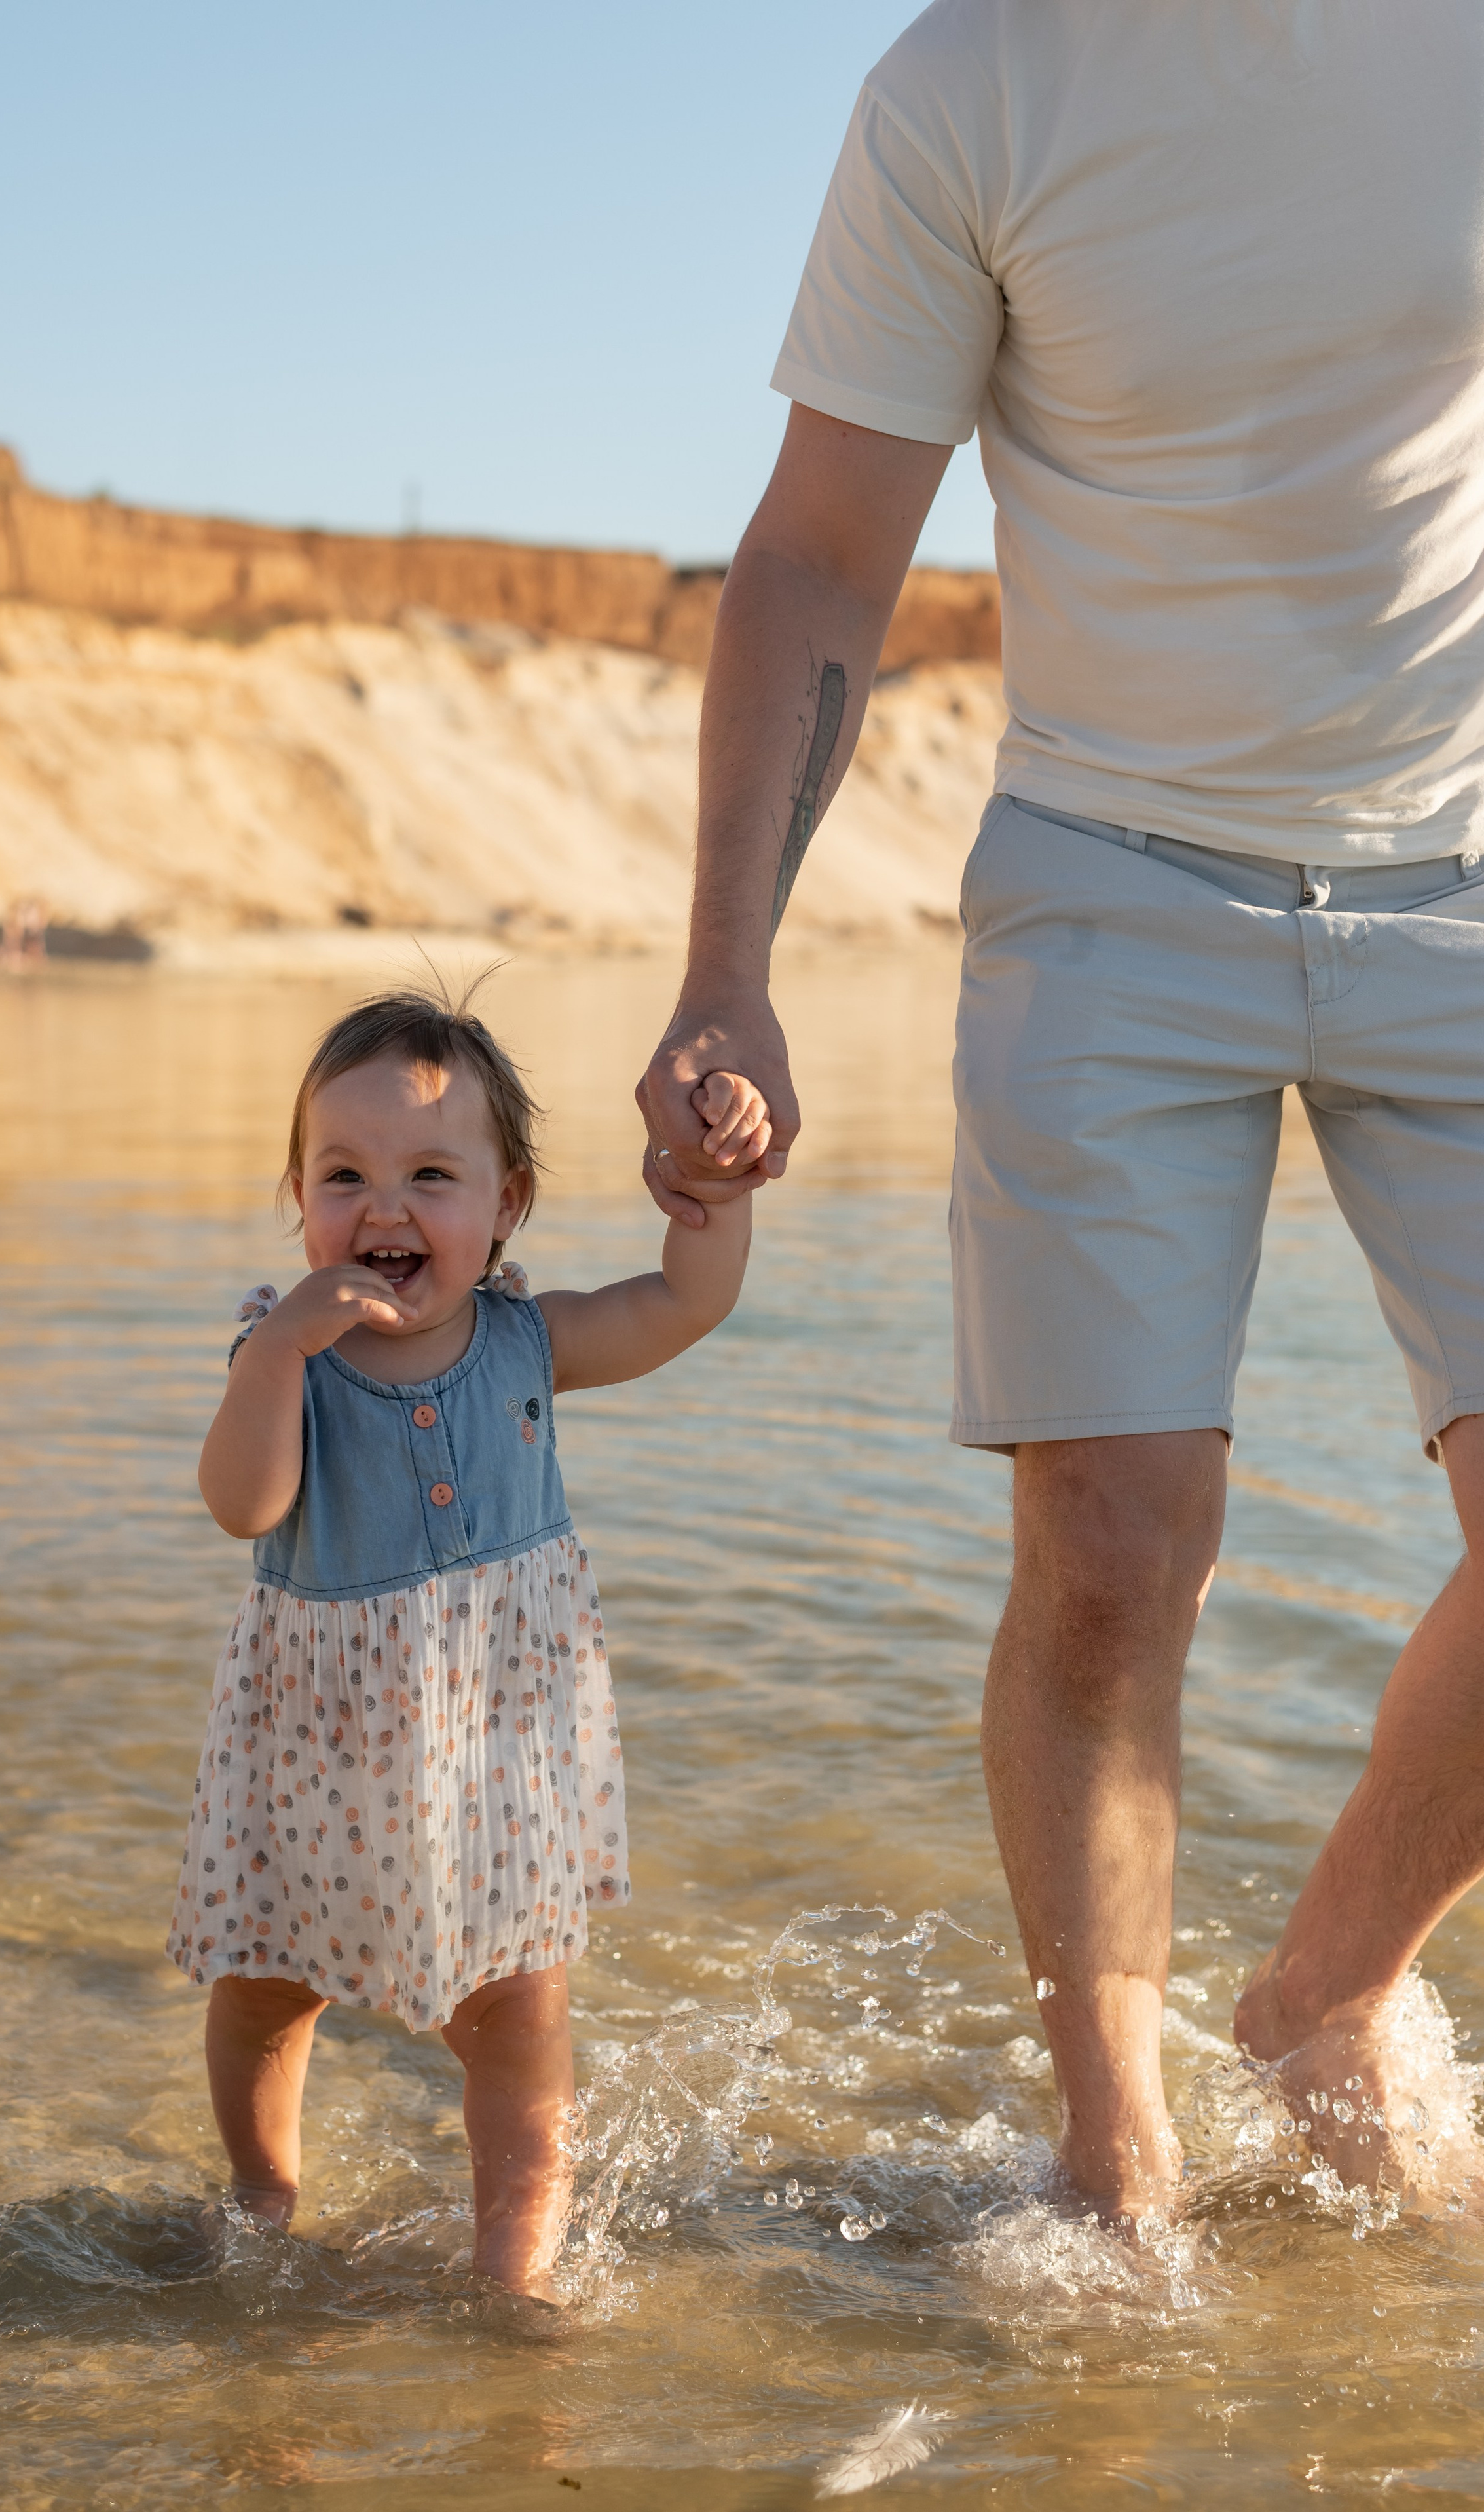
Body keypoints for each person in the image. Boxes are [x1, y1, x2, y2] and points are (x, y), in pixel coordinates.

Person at [638, 0, 1484, 2224]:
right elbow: (825, 549)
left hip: (1474, 876)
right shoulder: (969, 87)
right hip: (1113, 879)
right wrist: (731, 967)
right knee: (1110, 1553)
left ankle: (1322, 1992)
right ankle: (1119, 2176)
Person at [168, 986, 769, 2294]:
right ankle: (264, 2190)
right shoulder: (288, 1356)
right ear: (298, 1195)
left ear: (507, 1205)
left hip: (497, 1750)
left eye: (430, 1174)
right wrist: (276, 1351)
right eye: (345, 1174)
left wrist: (714, 1193)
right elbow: (241, 1505)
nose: (383, 1207)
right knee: (267, 1987)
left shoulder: (528, 1340)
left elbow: (683, 1303)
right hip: (315, 1751)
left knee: (514, 2006)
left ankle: (515, 2260)